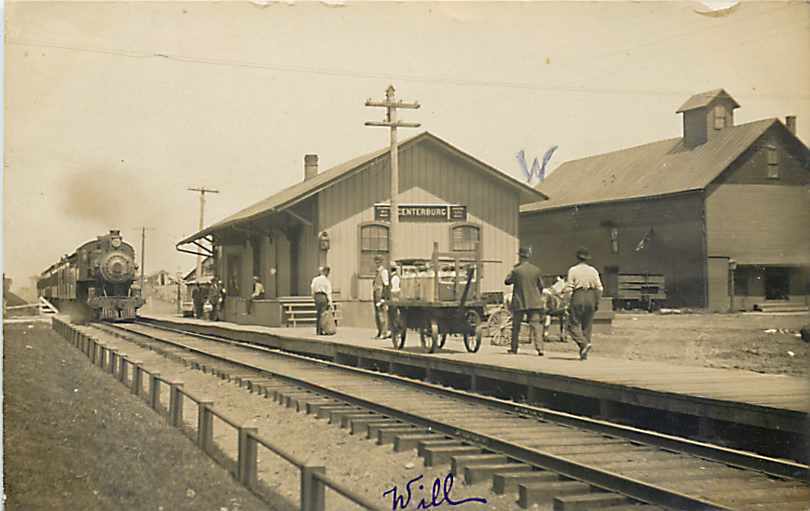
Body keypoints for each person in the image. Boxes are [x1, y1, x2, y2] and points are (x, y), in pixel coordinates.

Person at [564, 247, 604, 361]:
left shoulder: (573, 270)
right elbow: (600, 288)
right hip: (591, 296)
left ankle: (583, 344)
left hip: (578, 295)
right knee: (587, 326)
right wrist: (597, 301)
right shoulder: (593, 270)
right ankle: (584, 354)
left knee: (572, 325)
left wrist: (567, 303)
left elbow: (569, 288)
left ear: (577, 258)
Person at [504, 247, 546, 356]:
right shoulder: (536, 270)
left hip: (520, 301)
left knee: (516, 326)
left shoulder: (516, 270)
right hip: (534, 302)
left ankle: (514, 348)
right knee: (536, 325)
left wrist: (512, 271)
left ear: (520, 256)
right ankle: (540, 348)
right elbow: (541, 286)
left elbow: (507, 281)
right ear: (529, 256)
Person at [311, 266, 333, 335]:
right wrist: (330, 302)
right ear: (326, 272)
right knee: (323, 314)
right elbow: (328, 292)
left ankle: (318, 330)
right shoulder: (327, 281)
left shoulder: (315, 279)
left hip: (317, 296)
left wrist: (313, 297)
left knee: (318, 314)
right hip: (323, 296)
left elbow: (312, 288)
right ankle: (323, 329)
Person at [372, 255, 390, 339]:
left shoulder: (384, 272)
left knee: (382, 314)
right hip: (376, 294)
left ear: (381, 262)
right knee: (377, 314)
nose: (377, 263)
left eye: (378, 261)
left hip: (381, 294)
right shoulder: (377, 272)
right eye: (376, 261)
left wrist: (383, 297)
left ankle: (384, 332)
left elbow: (386, 285)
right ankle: (379, 331)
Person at [387, 266, 401, 337]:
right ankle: (393, 330)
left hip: (394, 297)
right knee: (392, 314)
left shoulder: (395, 277)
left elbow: (395, 288)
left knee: (393, 314)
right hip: (393, 296)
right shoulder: (394, 277)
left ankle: (395, 331)